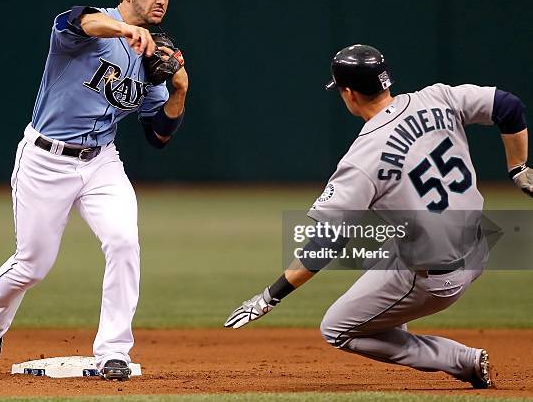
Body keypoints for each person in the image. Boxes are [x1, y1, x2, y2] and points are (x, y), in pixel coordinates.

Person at [225, 44, 532, 388]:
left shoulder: (363, 157)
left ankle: (462, 360)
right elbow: (508, 106)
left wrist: (271, 295)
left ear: (349, 94)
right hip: (480, 245)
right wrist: (517, 167)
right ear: (385, 81)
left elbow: (328, 241)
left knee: (336, 328)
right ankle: (390, 315)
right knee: (392, 230)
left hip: (435, 279)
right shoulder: (438, 97)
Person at [0, 0, 188, 380]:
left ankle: (114, 352)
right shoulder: (94, 26)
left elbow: (158, 134)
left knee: (124, 241)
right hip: (45, 159)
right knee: (33, 265)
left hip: (101, 162)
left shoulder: (152, 56)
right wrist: (124, 29)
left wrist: (180, 89)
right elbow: (78, 21)